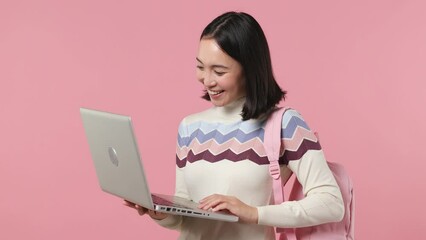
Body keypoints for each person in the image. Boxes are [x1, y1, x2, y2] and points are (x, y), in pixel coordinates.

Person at [125, 11, 344, 240]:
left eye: (219, 71)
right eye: (200, 67)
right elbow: (185, 215)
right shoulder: (190, 128)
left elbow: (331, 202)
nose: (207, 80)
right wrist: (158, 212)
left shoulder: (284, 124)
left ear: (249, 70)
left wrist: (253, 213)